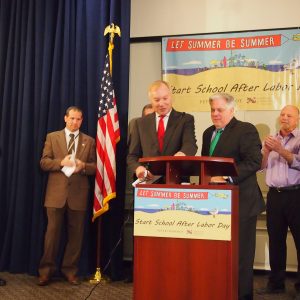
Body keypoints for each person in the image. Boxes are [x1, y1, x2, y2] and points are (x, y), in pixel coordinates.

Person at [201, 93, 265, 300]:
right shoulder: (207, 133)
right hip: (214, 204)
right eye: (212, 110)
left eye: (220, 110)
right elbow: (205, 165)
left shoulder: (246, 130)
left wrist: (228, 178)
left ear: (232, 110)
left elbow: (254, 162)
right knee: (216, 255)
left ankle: (242, 296)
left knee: (241, 257)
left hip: (242, 203)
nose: (215, 114)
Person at [37, 106, 96, 286]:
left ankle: (70, 271)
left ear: (82, 120)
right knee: (52, 235)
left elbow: (95, 167)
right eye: (71, 118)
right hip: (55, 195)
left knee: (76, 236)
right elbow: (44, 163)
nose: (74, 122)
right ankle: (45, 272)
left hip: (78, 195)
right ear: (65, 118)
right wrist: (60, 162)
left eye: (78, 119)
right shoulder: (52, 137)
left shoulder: (89, 141)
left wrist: (83, 166)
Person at [258, 105, 300, 299]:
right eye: (282, 114)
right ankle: (276, 284)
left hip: (295, 195)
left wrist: (280, 150)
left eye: (289, 115)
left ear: (297, 119)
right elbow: (260, 167)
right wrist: (267, 151)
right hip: (274, 196)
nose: (284, 118)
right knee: (276, 241)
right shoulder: (272, 139)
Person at [127, 79, 198, 180]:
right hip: (148, 180)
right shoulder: (140, 123)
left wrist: (182, 154)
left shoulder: (185, 119)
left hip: (176, 178)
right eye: (157, 100)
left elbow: (190, 144)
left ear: (171, 97)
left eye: (165, 98)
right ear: (151, 101)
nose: (161, 103)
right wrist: (138, 168)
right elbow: (132, 156)